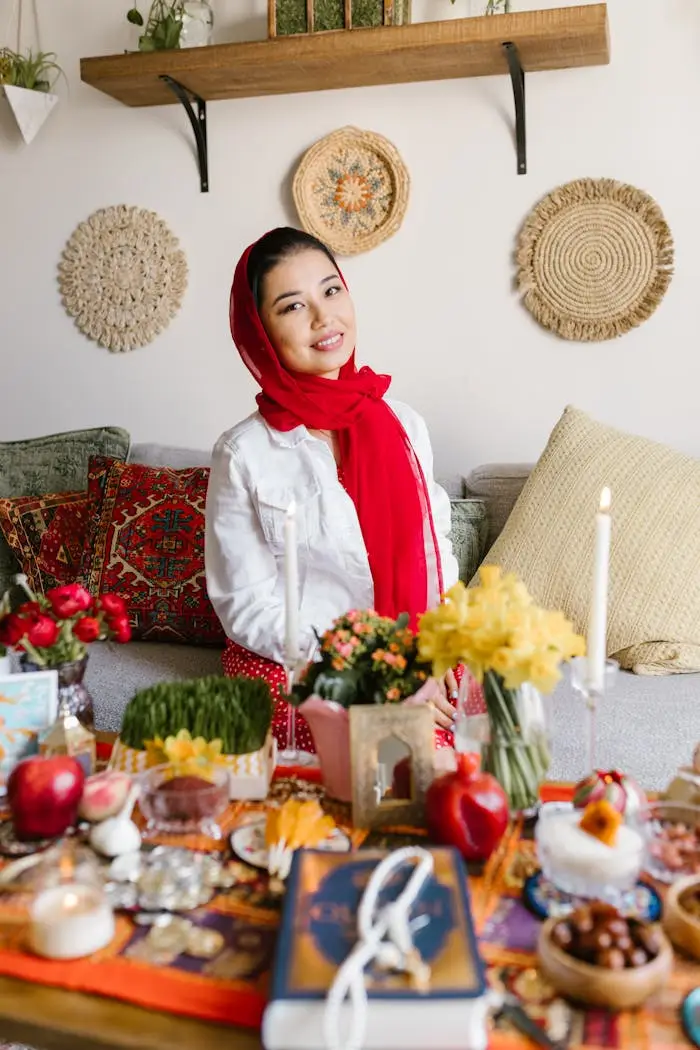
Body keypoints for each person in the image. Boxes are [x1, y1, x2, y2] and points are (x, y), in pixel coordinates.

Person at [205, 227, 466, 754]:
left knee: (478, 720)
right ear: (262, 333)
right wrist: (366, 667)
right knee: (374, 749)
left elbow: (437, 557)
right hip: (297, 659)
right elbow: (246, 604)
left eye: (331, 290)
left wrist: (423, 656)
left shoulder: (404, 425)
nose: (324, 318)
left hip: (415, 642)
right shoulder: (243, 453)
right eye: (292, 307)